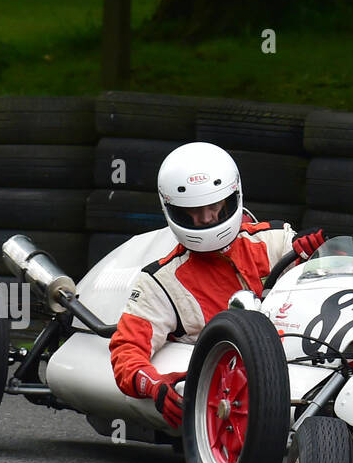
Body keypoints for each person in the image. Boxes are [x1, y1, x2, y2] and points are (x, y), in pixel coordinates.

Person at [107, 141, 324, 427]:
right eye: (193, 211)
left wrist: (323, 256)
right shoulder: (159, 283)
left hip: (302, 357)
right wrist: (154, 386)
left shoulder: (279, 241)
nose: (207, 218)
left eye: (214, 205)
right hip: (232, 382)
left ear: (233, 196)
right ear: (173, 209)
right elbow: (127, 352)